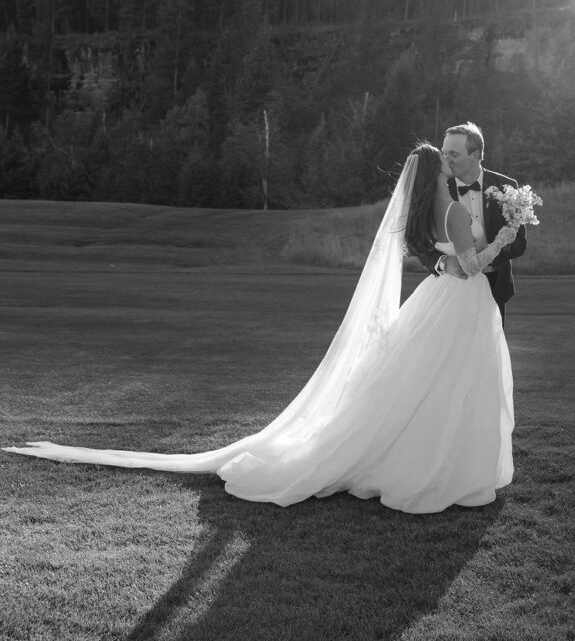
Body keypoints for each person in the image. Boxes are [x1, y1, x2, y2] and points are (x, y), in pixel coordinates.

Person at [4, 143, 517, 515]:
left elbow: (443, 258)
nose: (452, 164)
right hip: (459, 302)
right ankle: (440, 465)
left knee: (428, 382)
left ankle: (428, 456)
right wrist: (506, 237)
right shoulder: (453, 211)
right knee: (453, 383)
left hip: (437, 301)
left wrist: (464, 256)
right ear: (437, 172)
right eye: (446, 159)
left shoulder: (426, 212)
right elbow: (471, 266)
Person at [418, 122, 526, 326]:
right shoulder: (435, 191)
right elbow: (418, 241)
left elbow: (519, 243)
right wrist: (443, 263)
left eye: (454, 154)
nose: (446, 159)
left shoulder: (507, 187)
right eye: (444, 152)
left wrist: (489, 254)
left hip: (495, 285)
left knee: (488, 345)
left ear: (475, 155)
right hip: (451, 287)